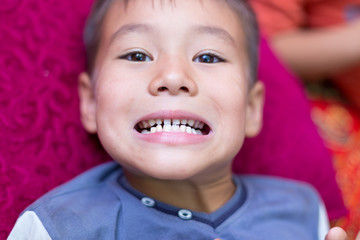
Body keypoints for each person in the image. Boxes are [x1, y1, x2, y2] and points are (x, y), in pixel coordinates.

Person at [7, 0, 349, 239]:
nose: (172, 76)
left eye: (208, 56)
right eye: (137, 54)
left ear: (251, 108)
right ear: (91, 102)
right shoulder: (56, 228)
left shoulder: (302, 209)